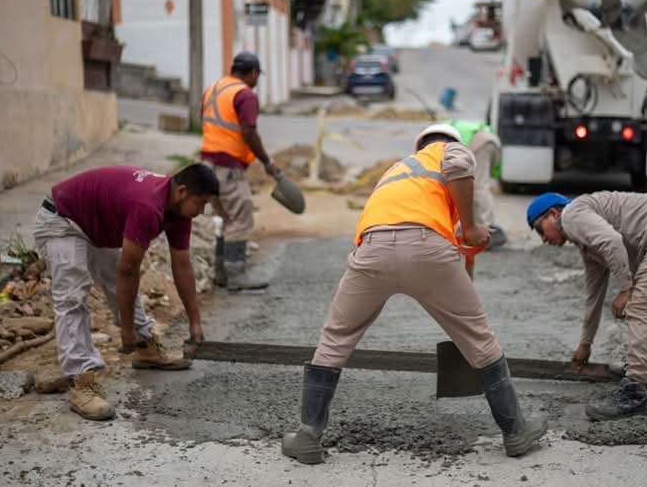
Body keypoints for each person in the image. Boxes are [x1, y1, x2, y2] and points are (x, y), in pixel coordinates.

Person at [281, 124, 549, 465]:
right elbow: (459, 170)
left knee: (335, 338)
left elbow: (447, 237)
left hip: (372, 251)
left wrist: (463, 253)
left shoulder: (400, 172)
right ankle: (516, 432)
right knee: (480, 340)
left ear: (417, 144)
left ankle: (307, 437)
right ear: (447, 141)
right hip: (425, 249)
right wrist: (471, 228)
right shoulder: (449, 151)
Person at [32, 163, 219, 421]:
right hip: (62, 218)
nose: (201, 211)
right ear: (183, 192)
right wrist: (126, 330)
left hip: (94, 225)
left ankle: (146, 347)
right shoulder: (148, 206)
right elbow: (128, 272)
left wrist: (195, 322)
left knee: (115, 278)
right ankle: (81, 380)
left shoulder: (179, 211)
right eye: (201, 203)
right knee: (72, 296)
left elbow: (183, 266)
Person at [526, 190, 647, 420]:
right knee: (636, 305)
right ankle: (641, 370)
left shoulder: (571, 215)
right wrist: (585, 344)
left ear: (552, 213)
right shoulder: (586, 241)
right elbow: (594, 296)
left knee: (640, 308)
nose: (543, 239)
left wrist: (625, 288)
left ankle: (634, 395)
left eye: (540, 229)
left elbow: (612, 241)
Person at [200, 51, 280, 291]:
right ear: (253, 73)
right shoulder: (244, 95)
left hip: (206, 166)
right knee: (240, 219)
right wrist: (266, 161)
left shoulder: (213, 89)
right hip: (229, 167)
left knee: (226, 218)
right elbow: (249, 131)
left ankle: (221, 274)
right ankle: (236, 276)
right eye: (257, 76)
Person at [448, 119, 506, 249]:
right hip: (490, 141)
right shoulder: (443, 129)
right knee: (474, 187)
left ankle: (487, 229)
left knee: (477, 187)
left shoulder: (435, 140)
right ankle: (481, 227)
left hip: (480, 143)